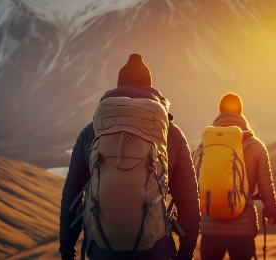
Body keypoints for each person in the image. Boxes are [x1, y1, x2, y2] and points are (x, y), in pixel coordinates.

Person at [58, 53, 201, 260]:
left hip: (102, 250)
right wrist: (185, 254)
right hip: (154, 250)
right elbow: (189, 205)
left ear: (117, 91)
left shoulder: (92, 132)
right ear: (150, 88)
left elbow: (71, 198)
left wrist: (67, 252)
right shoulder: (170, 133)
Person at [196, 92, 276, 260]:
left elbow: (195, 183)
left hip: (210, 228)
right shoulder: (256, 147)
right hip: (242, 229)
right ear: (241, 112)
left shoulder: (204, 145)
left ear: (219, 112)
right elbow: (266, 185)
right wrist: (273, 214)